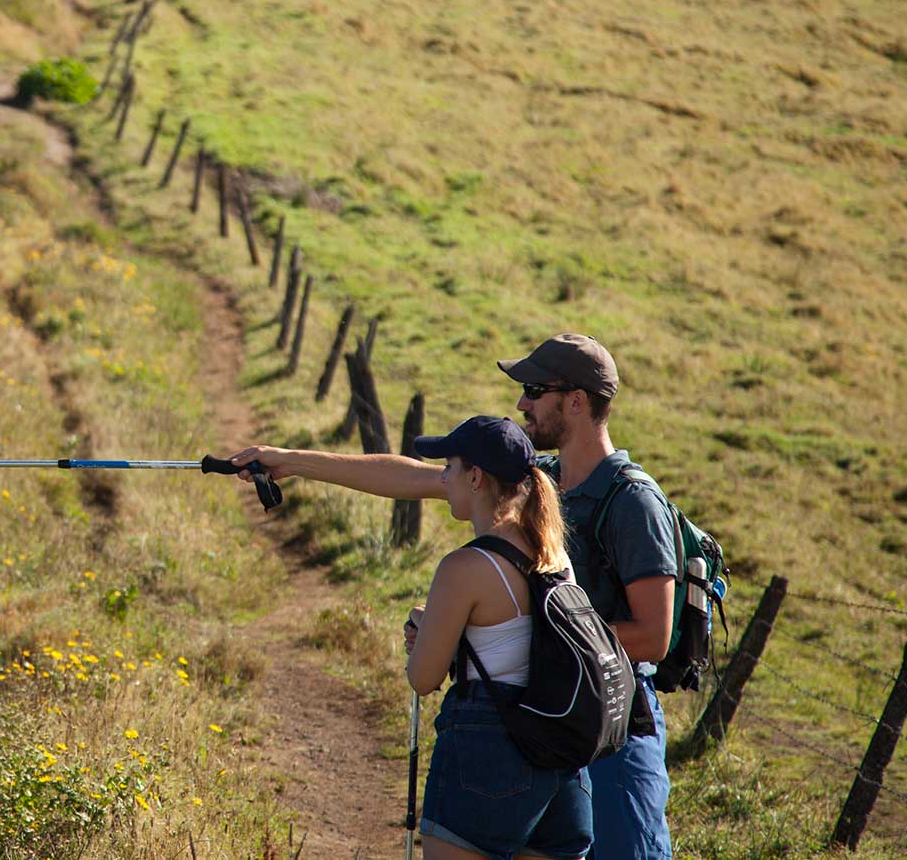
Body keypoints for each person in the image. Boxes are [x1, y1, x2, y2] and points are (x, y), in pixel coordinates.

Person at [228, 333, 676, 860]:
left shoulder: (633, 501)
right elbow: (412, 477)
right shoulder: (537, 482)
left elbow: (653, 636)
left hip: (609, 723)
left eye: (534, 389)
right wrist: (293, 462)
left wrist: (482, 631)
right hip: (538, 719)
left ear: (576, 401)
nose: (521, 403)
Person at [401, 414, 591, 860]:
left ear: (476, 477)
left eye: (449, 465)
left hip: (488, 754)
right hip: (563, 762)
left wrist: (426, 629)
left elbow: (423, 677)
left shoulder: (463, 569)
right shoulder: (555, 554)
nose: (443, 477)